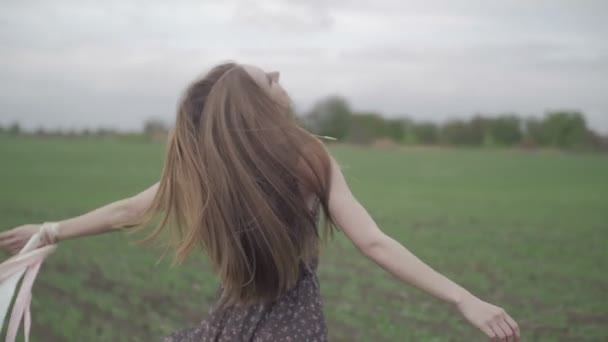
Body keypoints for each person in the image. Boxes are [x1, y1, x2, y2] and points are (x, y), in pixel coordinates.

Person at [0, 62, 520, 341]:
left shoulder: (209, 169)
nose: (277, 73)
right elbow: (375, 242)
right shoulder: (308, 159)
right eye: (266, 78)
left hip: (231, 323)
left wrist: (50, 229)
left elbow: (127, 212)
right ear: (259, 104)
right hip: (291, 327)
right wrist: (462, 298)